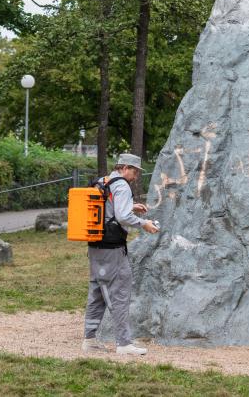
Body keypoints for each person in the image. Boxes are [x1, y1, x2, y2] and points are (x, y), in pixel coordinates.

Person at [82, 153, 159, 356]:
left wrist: (131, 206)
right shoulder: (122, 185)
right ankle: (124, 343)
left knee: (97, 293)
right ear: (124, 168)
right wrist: (144, 224)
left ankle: (89, 340)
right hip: (113, 249)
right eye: (134, 171)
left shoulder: (102, 181)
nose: (135, 177)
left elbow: (108, 209)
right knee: (120, 293)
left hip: (95, 246)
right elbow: (122, 216)